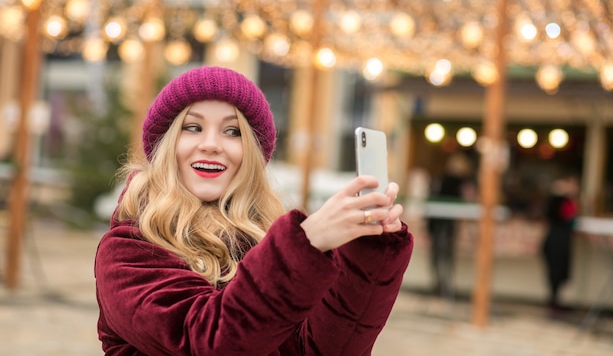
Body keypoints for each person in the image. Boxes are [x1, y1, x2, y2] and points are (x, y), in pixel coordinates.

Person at [94, 65, 414, 356]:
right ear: (166, 145)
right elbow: (207, 343)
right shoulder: (128, 249)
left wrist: (370, 251)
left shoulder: (263, 246)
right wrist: (306, 242)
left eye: (232, 132)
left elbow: (319, 349)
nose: (211, 144)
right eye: (192, 127)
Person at [425, 152, 475, 298]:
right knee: (445, 254)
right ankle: (445, 286)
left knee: (438, 255)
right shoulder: (461, 182)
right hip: (445, 224)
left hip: (437, 223)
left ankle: (440, 284)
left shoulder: (442, 179)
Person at [541, 173, 579, 316]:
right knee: (555, 271)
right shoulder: (559, 200)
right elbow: (568, 218)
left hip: (560, 238)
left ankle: (555, 300)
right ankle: (554, 300)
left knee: (559, 271)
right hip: (557, 239)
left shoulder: (566, 200)